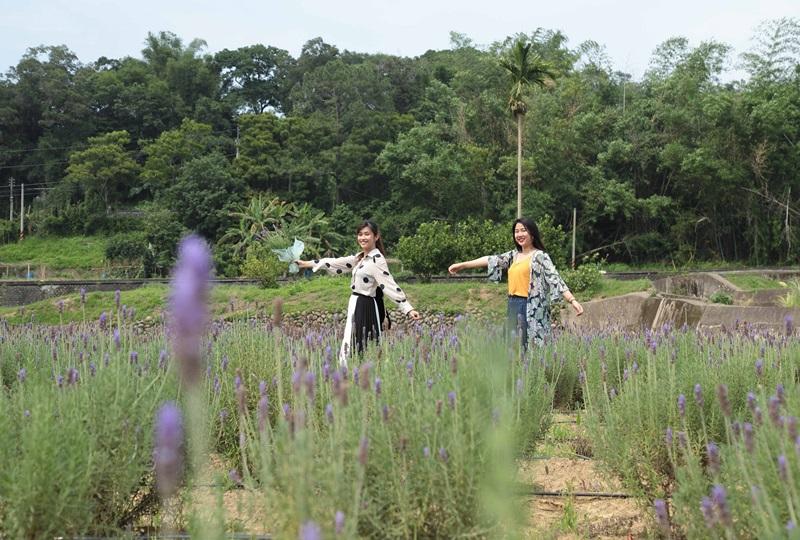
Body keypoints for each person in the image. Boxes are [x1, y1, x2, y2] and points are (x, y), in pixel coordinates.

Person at [296, 220, 421, 365]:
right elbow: (335, 262)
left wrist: (408, 308)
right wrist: (306, 264)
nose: (363, 238)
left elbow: (389, 285)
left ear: (376, 236)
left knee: (363, 342)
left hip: (366, 305)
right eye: (360, 234)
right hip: (356, 303)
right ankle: (351, 374)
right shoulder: (359, 258)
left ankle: (361, 374)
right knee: (352, 339)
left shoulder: (376, 260)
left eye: (367, 234)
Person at [448, 218, 584, 349]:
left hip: (529, 306)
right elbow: (490, 260)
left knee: (528, 344)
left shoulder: (540, 256)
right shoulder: (513, 255)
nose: (519, 234)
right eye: (516, 231)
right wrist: (462, 265)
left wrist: (572, 300)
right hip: (512, 305)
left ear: (532, 233)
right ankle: (518, 372)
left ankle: (533, 371)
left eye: (523, 230)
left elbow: (555, 278)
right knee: (512, 346)